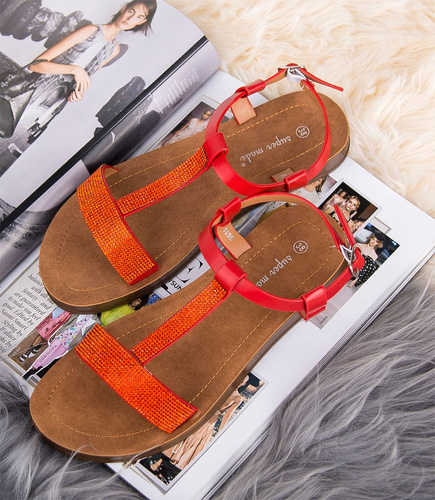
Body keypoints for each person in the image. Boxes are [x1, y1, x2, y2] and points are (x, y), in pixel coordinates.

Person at [0, 0, 157, 171]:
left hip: (49, 108)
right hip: (28, 92)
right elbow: (36, 65)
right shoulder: (90, 30)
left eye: (139, 17)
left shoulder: (114, 50)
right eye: (131, 11)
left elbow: (81, 80)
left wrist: (76, 94)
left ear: (142, 22)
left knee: (7, 154)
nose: (131, 18)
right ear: (124, 9)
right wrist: (75, 69)